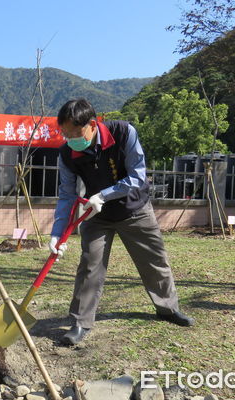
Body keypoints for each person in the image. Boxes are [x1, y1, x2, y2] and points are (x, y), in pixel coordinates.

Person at [49, 98, 194, 346]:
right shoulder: (67, 153)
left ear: (92, 125)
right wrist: (56, 233)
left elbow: (137, 177)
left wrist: (103, 195)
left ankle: (168, 308)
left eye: (75, 133)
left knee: (154, 260)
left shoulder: (123, 132)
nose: (70, 139)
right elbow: (66, 194)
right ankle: (81, 322)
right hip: (95, 215)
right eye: (65, 134)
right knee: (89, 266)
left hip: (134, 209)